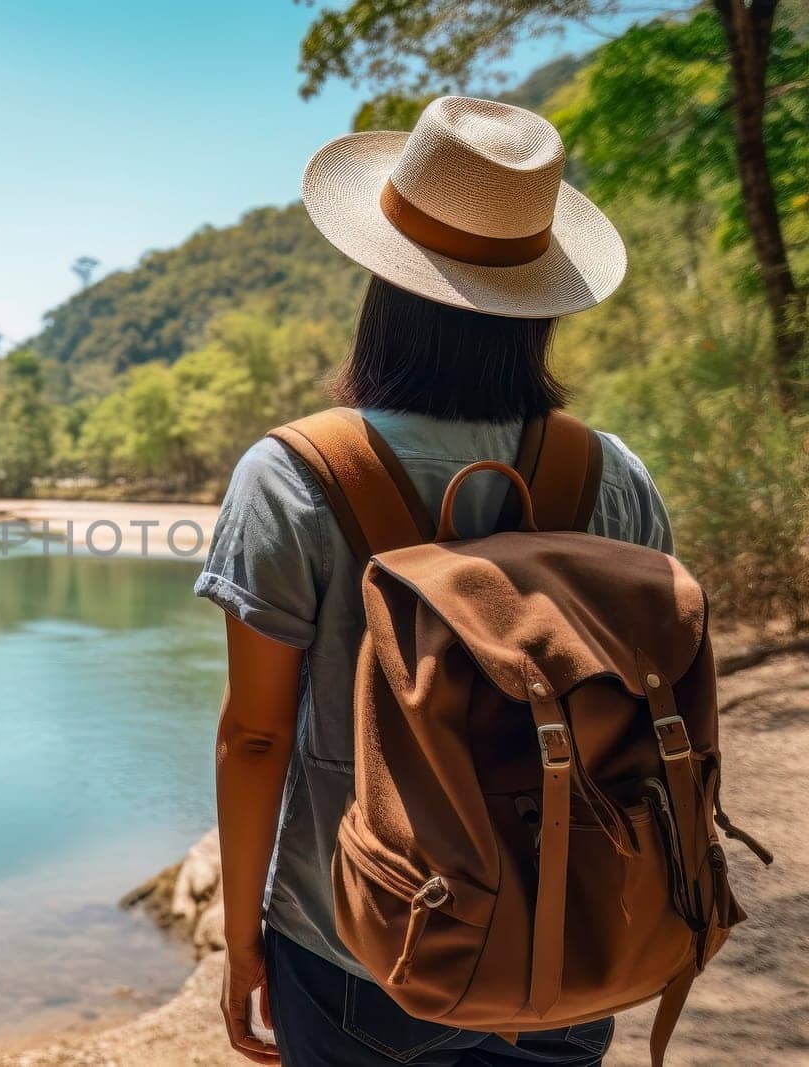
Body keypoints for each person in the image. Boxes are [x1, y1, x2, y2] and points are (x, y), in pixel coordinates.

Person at [195, 97, 672, 1065]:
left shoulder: (291, 476)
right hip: (568, 940)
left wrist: (243, 936)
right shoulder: (613, 476)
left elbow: (255, 734)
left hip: (351, 948)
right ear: (538, 298)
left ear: (380, 274)